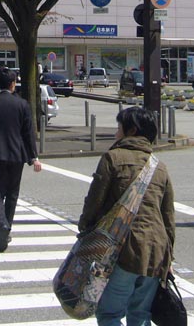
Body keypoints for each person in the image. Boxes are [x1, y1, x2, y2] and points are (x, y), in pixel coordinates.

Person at [78, 107, 175, 326]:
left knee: (109, 314)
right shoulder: (160, 167)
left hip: (124, 249)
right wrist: (169, 257)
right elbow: (168, 215)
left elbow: (95, 201)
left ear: (132, 130)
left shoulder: (112, 158)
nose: (115, 133)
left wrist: (85, 229)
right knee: (140, 315)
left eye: (118, 128)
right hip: (157, 251)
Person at [0, 67, 42, 252]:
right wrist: (33, 157)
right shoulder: (22, 104)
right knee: (12, 193)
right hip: (17, 154)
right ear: (13, 83)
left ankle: (2, 225)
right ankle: (8, 227)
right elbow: (28, 133)